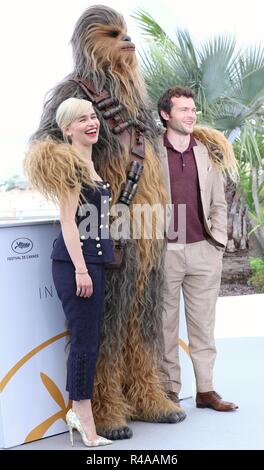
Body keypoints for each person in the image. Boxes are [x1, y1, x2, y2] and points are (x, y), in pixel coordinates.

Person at [28, 5, 185, 440]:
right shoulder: (74, 92)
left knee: (143, 315)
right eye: (114, 34)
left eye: (127, 33)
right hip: (105, 225)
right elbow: (43, 147)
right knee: (108, 320)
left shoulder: (135, 98)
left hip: (147, 226)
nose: (127, 41)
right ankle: (103, 405)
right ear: (88, 43)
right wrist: (60, 161)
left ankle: (146, 394)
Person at [24, 97, 114, 447]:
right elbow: (68, 222)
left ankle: (81, 411)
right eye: (82, 120)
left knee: (89, 341)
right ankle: (81, 413)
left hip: (93, 262)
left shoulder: (89, 163)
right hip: (76, 264)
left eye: (93, 117)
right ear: (67, 129)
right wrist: (80, 270)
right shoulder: (71, 165)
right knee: (84, 342)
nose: (91, 123)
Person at [158, 86, 239, 412]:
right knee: (164, 328)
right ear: (166, 115)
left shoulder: (206, 151)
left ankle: (206, 391)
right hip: (166, 253)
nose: (191, 115)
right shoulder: (151, 152)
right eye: (183, 110)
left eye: (193, 110)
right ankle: (169, 393)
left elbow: (218, 202)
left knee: (204, 327)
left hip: (204, 251)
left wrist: (216, 243)